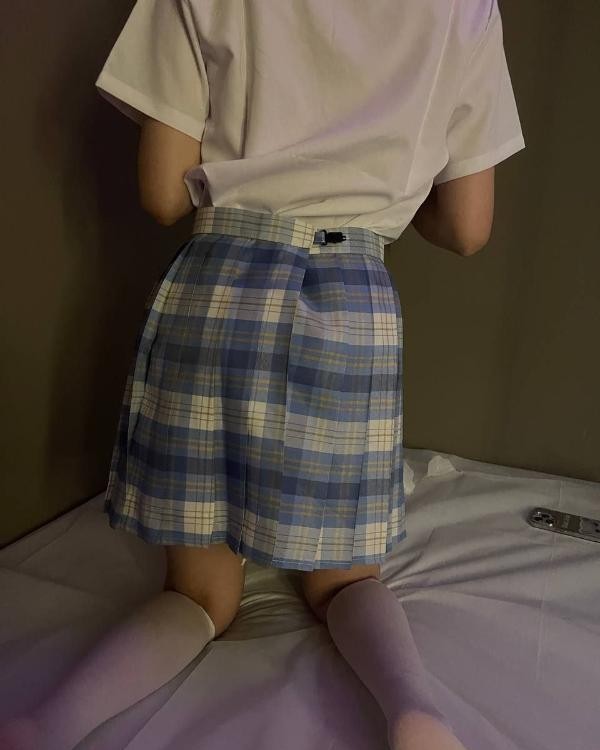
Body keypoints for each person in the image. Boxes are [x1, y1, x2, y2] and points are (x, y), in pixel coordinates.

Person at [0, 1, 525, 748]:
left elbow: (161, 192)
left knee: (198, 594)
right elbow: (468, 227)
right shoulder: (465, 8)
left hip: (220, 284)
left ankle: (45, 721)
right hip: (351, 299)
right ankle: (414, 710)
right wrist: (385, 200)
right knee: (346, 581)